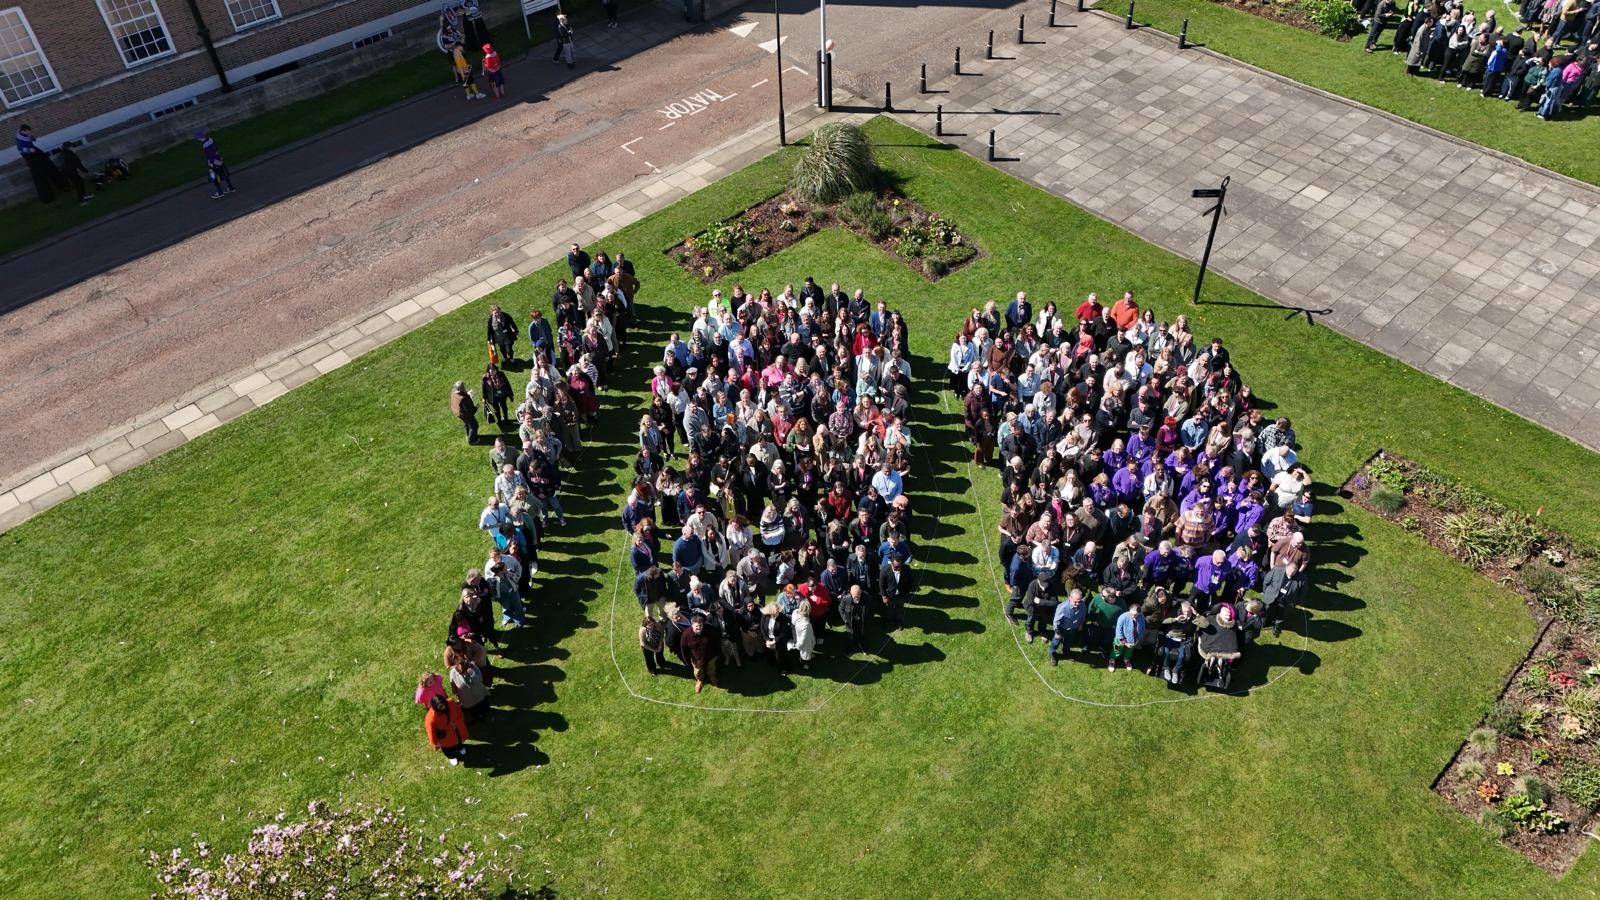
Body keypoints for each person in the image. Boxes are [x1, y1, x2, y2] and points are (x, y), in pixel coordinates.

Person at [1261, 560, 1307, 637]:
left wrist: (1294, 603)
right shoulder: (1276, 570)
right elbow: (1266, 582)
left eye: (1293, 572)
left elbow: (1302, 593)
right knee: (1267, 611)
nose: (1291, 574)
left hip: (1286, 602)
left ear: (1297, 571)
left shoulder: (1302, 579)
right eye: (1289, 571)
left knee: (1280, 615)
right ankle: (1265, 622)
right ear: (1286, 567)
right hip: (1272, 597)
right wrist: (1267, 593)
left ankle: (1276, 627)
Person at [16, 124, 59, 202]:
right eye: (28, 132)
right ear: (23, 131)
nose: (29, 133)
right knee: (40, 177)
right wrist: (30, 150)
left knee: (49, 166)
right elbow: (20, 149)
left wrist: (31, 138)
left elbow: (31, 140)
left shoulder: (24, 133)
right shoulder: (19, 139)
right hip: (30, 157)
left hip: (34, 151)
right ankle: (47, 197)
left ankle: (60, 185)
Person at [425, 694, 470, 765]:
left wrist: (461, 718)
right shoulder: (430, 717)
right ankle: (451, 756)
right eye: (440, 706)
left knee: (459, 739)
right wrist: (435, 743)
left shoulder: (451, 702)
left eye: (444, 704)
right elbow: (430, 732)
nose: (443, 707)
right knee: (447, 748)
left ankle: (459, 748)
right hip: (445, 736)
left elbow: (458, 710)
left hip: (456, 729)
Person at [679, 614, 718, 692]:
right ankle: (699, 681)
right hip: (696, 659)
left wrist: (717, 653)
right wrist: (687, 661)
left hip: (710, 656)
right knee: (698, 672)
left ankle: (712, 677)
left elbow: (716, 639)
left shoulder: (709, 629)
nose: (699, 628)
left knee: (712, 668)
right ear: (692, 625)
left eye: (700, 625)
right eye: (697, 626)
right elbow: (684, 649)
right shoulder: (686, 635)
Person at [194, 131, 235, 199]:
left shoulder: (205, 146)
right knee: (224, 173)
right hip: (219, 159)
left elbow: (210, 156)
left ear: (199, 138)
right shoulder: (211, 139)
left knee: (214, 178)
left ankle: (219, 192)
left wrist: (211, 165)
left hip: (214, 162)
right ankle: (231, 187)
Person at [1111, 600, 1146, 672]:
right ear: (1129, 609)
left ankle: (1126, 659)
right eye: (1132, 614)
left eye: (1136, 615)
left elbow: (1142, 629)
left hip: (1132, 641)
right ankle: (1112, 660)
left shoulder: (1141, 617)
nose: (1133, 616)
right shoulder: (1122, 617)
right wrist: (1125, 643)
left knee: (1129, 652)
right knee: (1116, 650)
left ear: (1139, 613)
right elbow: (1118, 631)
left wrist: (1138, 639)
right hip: (1120, 640)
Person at [791, 599, 816, 671]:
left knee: (803, 652)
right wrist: (799, 646)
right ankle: (804, 665)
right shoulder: (806, 624)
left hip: (797, 636)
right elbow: (804, 638)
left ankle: (803, 660)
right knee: (805, 655)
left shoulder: (795, 612)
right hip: (806, 642)